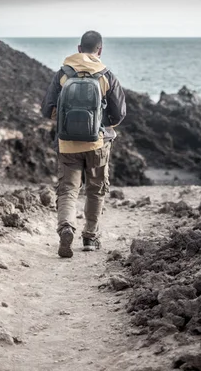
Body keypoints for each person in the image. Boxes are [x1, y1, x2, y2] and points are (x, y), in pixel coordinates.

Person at [41, 30, 126, 258]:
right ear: (100, 50)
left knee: (68, 189)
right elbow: (118, 115)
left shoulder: (63, 73)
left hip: (67, 144)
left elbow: (47, 109)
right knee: (96, 189)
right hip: (98, 144)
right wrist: (99, 126)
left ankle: (66, 227)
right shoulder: (106, 75)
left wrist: (66, 125)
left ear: (79, 49)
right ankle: (90, 237)